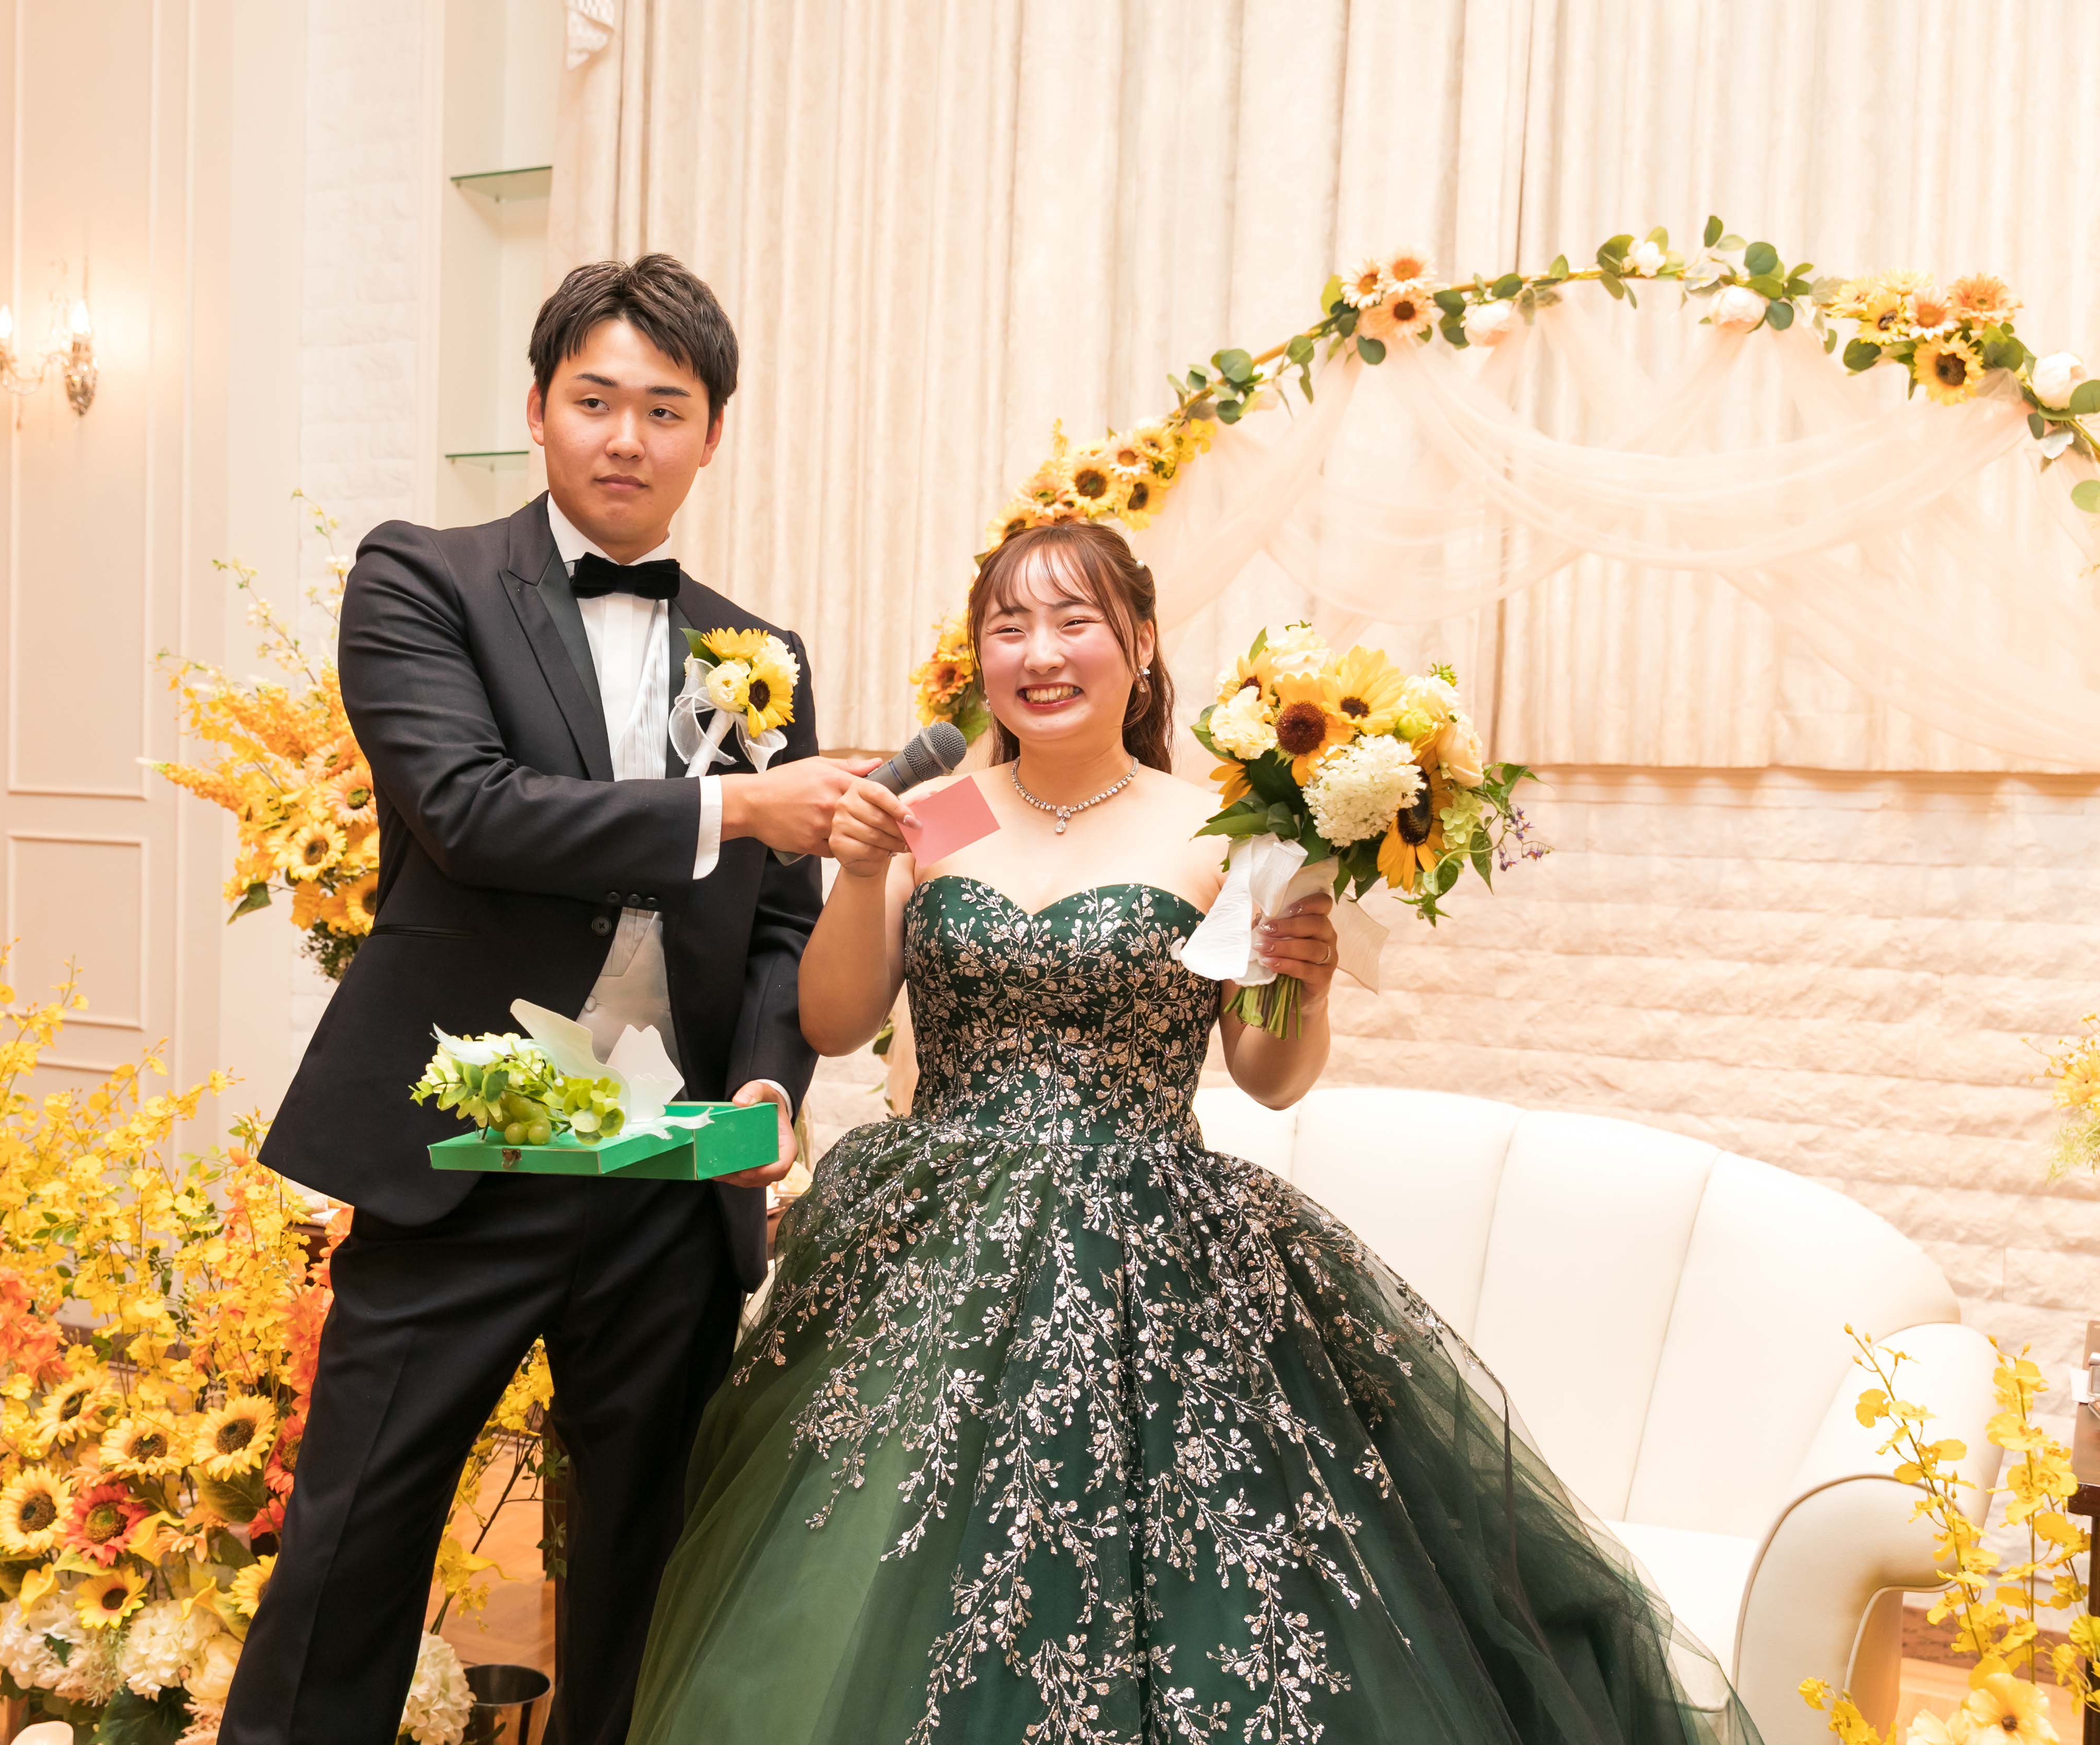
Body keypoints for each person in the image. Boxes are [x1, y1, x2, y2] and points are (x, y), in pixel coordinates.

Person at [626, 522, 1760, 1743]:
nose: (1040, 654)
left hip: (1151, 1259)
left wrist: (1304, 984)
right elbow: (837, 1021)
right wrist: (859, 876)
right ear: (979, 658)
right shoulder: (941, 817)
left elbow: (1269, 1078)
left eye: (1075, 622)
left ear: (1141, 644)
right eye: (1009, 628)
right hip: (933, 1249)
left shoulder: (1221, 833)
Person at [220, 256, 871, 1745]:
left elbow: (781, 927)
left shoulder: (759, 656)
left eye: (666, 409)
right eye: (596, 400)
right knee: (352, 1543)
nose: (627, 438)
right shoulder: (422, 579)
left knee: (643, 1566)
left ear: (712, 435)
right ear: (537, 410)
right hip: (466, 1156)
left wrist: (768, 1084)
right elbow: (468, 808)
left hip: (670, 1178)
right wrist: (735, 809)